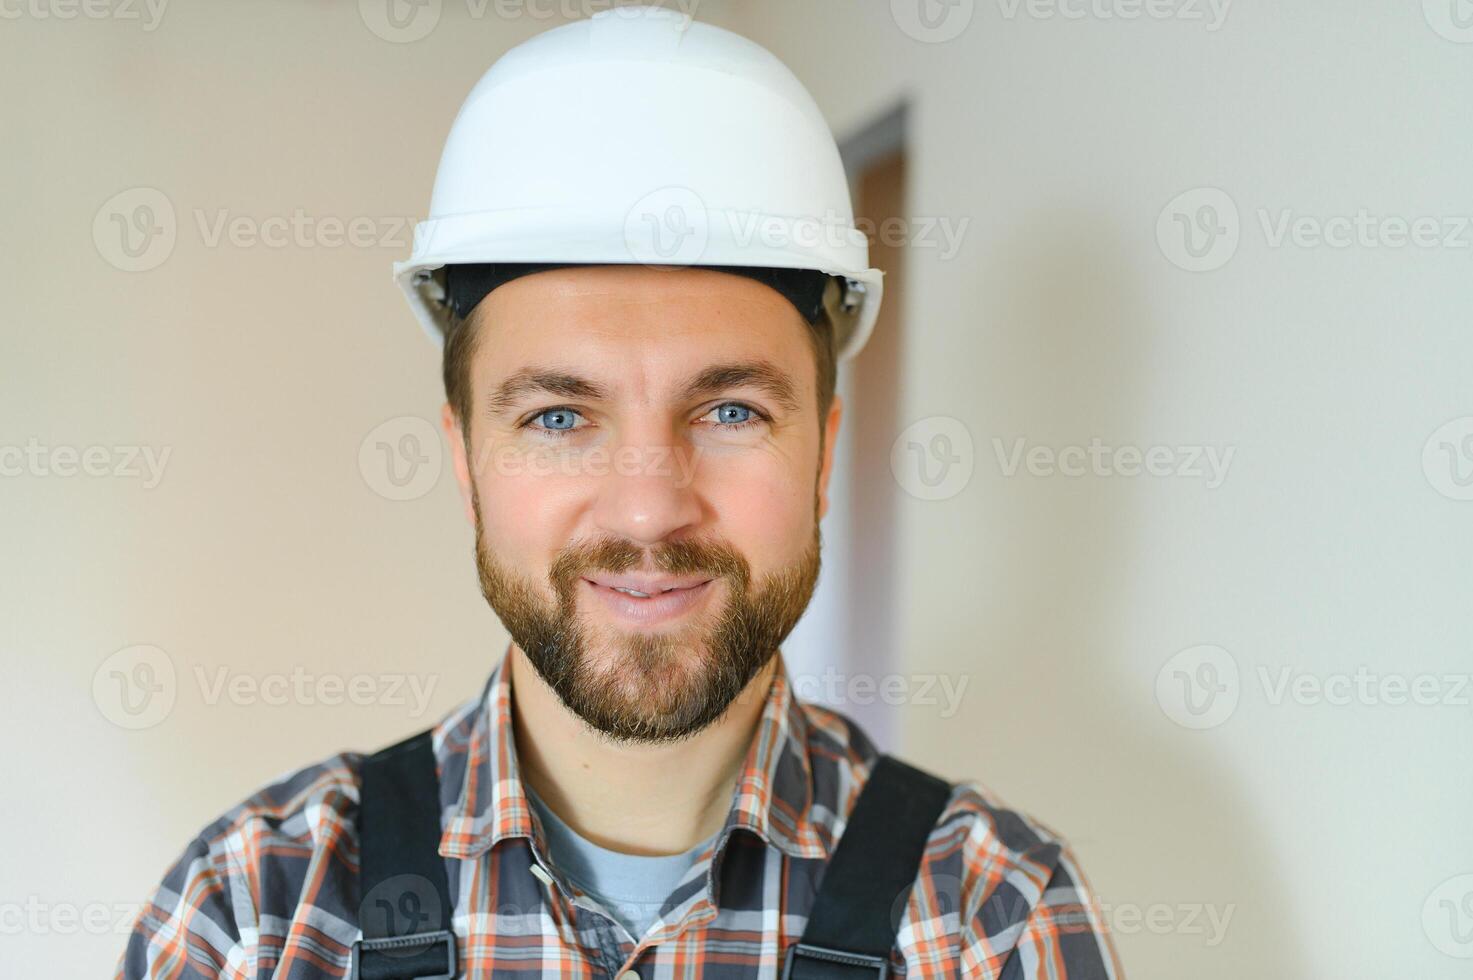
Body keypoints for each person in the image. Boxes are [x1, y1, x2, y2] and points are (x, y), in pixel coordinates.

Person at [116, 7, 1121, 978]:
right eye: (559, 416)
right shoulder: (250, 919)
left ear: (824, 454)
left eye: (730, 410)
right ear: (465, 458)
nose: (648, 511)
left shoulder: (991, 921)